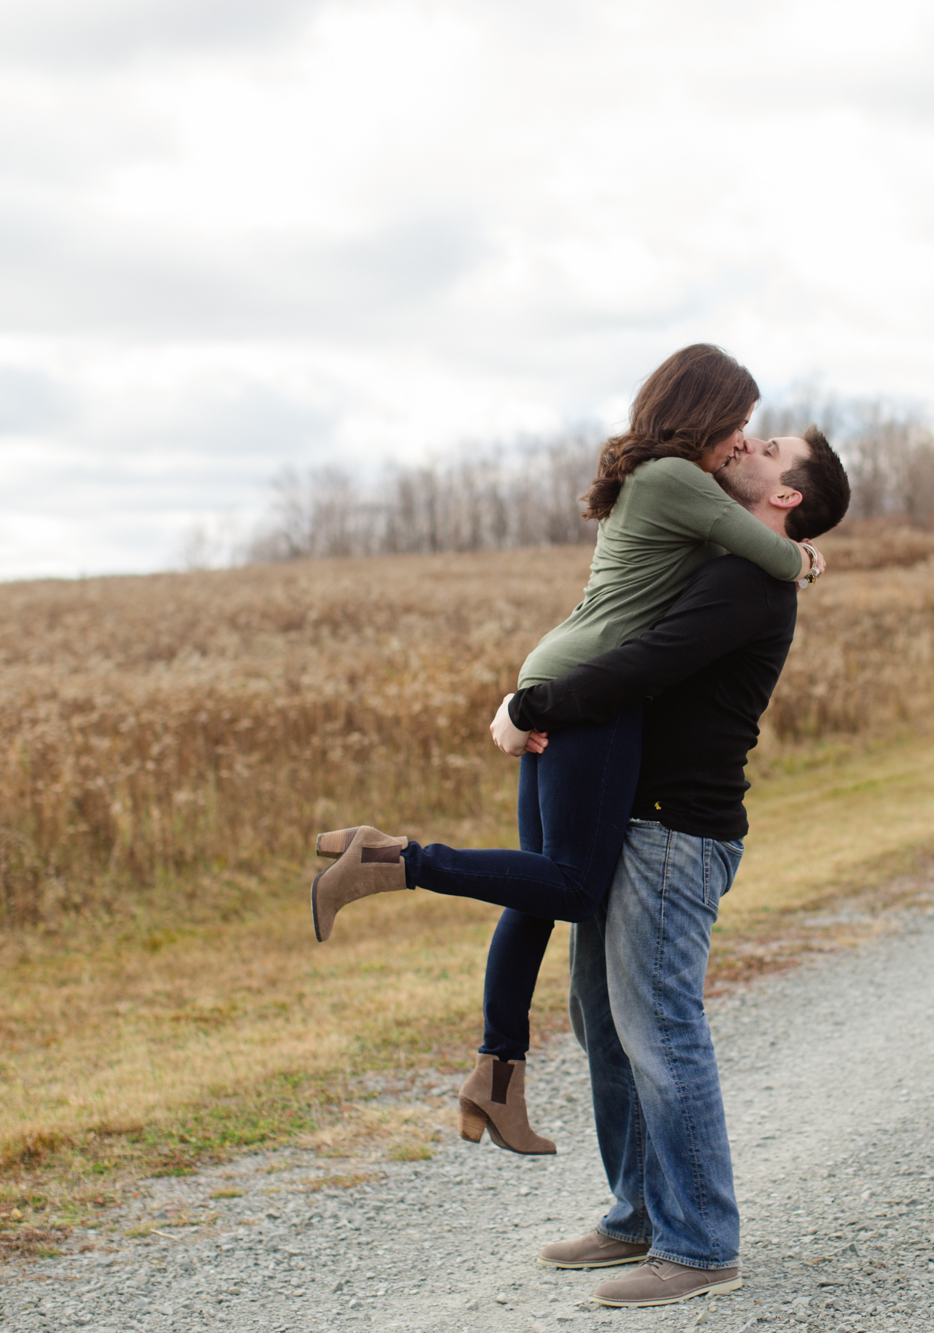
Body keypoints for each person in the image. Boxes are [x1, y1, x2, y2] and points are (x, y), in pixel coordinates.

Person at [304, 345, 821, 1156]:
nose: (742, 442)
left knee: (537, 887)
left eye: (756, 435)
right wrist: (807, 554)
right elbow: (770, 553)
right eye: (741, 425)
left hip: (553, 671)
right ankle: (393, 859)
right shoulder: (681, 481)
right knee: (576, 885)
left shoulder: (648, 478)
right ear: (707, 414)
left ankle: (497, 1073)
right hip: (590, 692)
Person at [500, 429, 850, 1307]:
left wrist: (527, 705)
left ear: (787, 497)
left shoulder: (748, 580)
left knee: (659, 1028)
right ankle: (638, 1215)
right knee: (600, 1020)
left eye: (771, 449)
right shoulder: (729, 551)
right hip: (627, 819)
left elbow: (644, 665)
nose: (749, 444)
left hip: (674, 833)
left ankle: (700, 1246)